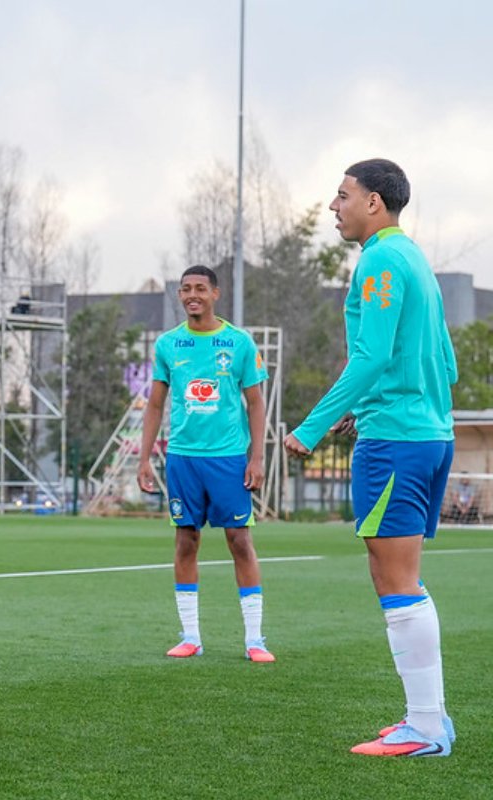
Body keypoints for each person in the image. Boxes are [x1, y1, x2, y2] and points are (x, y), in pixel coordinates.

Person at [284, 159, 457, 758]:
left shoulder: (380, 259)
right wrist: (389, 403)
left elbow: (372, 355)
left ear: (375, 203)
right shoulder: (413, 259)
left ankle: (427, 727)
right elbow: (444, 359)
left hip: (398, 441)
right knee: (399, 575)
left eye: (342, 195)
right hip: (427, 432)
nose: (334, 206)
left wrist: (311, 426)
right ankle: (428, 720)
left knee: (395, 579)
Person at [137, 265, 274, 664]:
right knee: (186, 541)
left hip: (228, 458)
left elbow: (256, 402)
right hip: (182, 458)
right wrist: (145, 458)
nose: (192, 295)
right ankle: (191, 636)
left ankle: (255, 639)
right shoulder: (167, 345)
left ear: (215, 294)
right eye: (185, 289)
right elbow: (156, 404)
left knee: (240, 541)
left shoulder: (239, 343)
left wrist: (258, 456)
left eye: (200, 288)